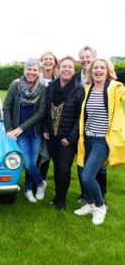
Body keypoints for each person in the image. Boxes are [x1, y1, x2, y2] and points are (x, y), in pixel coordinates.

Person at [74, 59, 125, 224]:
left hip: (102, 140)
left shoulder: (115, 88)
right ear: (91, 71)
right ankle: (90, 204)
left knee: (88, 175)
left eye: (102, 68)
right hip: (87, 139)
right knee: (83, 173)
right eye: (95, 68)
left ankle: (100, 207)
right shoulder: (87, 89)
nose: (98, 70)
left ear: (107, 71)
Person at [3, 58, 47, 203]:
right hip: (18, 133)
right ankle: (41, 183)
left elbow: (41, 113)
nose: (32, 72)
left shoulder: (42, 89)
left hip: (34, 133)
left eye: (35, 70)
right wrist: (9, 128)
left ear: (38, 72)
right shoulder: (15, 86)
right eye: (29, 69)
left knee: (32, 164)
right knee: (27, 163)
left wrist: (22, 127)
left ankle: (28, 190)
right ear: (24, 70)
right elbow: (7, 107)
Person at [43, 56, 83, 211]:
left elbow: (80, 116)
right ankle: (57, 196)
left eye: (70, 67)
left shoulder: (78, 89)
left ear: (74, 71)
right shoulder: (51, 87)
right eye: (64, 66)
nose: (66, 69)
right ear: (58, 69)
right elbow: (46, 110)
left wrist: (71, 138)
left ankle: (62, 200)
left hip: (67, 139)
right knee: (57, 167)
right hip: (52, 137)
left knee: (64, 169)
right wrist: (46, 129)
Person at [74, 46, 107, 204]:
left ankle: (101, 198)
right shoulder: (78, 80)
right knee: (82, 165)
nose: (85, 60)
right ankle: (87, 197)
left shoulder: (110, 84)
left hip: (101, 136)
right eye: (82, 57)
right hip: (83, 132)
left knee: (97, 169)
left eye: (88, 57)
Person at [38, 51, 59, 181]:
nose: (48, 61)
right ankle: (33, 183)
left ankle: (42, 180)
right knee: (35, 153)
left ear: (54, 62)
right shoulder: (36, 77)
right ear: (41, 62)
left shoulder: (58, 79)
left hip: (51, 122)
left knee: (47, 152)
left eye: (50, 59)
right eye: (45, 59)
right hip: (36, 120)